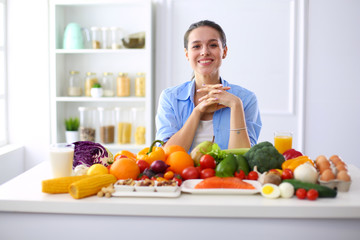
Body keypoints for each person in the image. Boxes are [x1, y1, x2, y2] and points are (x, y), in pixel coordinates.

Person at [156, 20, 262, 152]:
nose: (205, 52)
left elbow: (243, 160)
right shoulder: (170, 98)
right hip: (181, 173)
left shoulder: (246, 99)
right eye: (196, 46)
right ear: (187, 54)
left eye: (212, 45)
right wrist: (197, 112)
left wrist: (236, 106)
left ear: (224, 51)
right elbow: (166, 155)